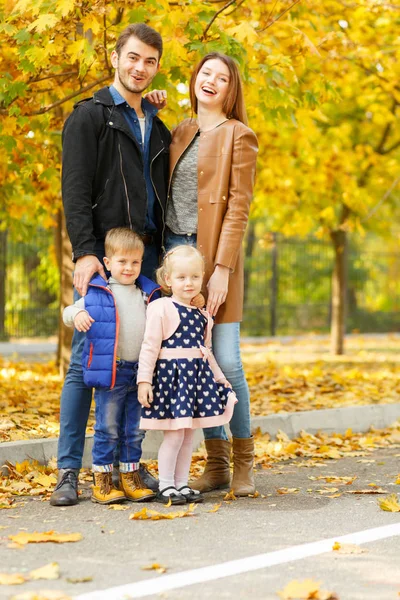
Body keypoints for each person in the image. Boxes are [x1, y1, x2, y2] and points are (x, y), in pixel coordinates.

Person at [50, 23, 171, 507]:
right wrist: (84, 251)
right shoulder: (90, 117)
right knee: (87, 366)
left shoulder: (156, 123)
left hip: (145, 260)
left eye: (149, 61)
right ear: (115, 58)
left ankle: (127, 464)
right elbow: (75, 191)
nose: (139, 68)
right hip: (103, 255)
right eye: (133, 58)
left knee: (137, 363)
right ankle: (67, 472)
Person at [146, 52, 258, 495]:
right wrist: (151, 106)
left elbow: (239, 209)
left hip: (214, 261)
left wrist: (222, 270)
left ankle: (244, 461)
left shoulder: (240, 136)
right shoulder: (180, 130)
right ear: (195, 79)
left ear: (232, 90)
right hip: (175, 255)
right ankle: (216, 465)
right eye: (206, 73)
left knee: (225, 361)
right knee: (191, 362)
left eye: (222, 77)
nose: (211, 81)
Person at [63, 228, 161, 504]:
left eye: (135, 262)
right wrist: (79, 313)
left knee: (134, 429)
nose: (128, 268)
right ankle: (103, 481)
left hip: (140, 373)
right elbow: (68, 312)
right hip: (111, 373)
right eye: (122, 262)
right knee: (107, 428)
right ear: (107, 263)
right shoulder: (98, 292)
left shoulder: (148, 294)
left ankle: (130, 477)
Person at [137, 246, 237, 504]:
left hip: (195, 382)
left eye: (194, 277)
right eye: (181, 278)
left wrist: (220, 381)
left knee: (189, 435)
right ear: (168, 280)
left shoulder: (202, 315)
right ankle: (166, 484)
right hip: (172, 381)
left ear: (202, 277)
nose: (188, 283)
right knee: (174, 434)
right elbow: (150, 346)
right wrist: (144, 380)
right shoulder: (162, 308)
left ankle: (181, 483)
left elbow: (207, 351)